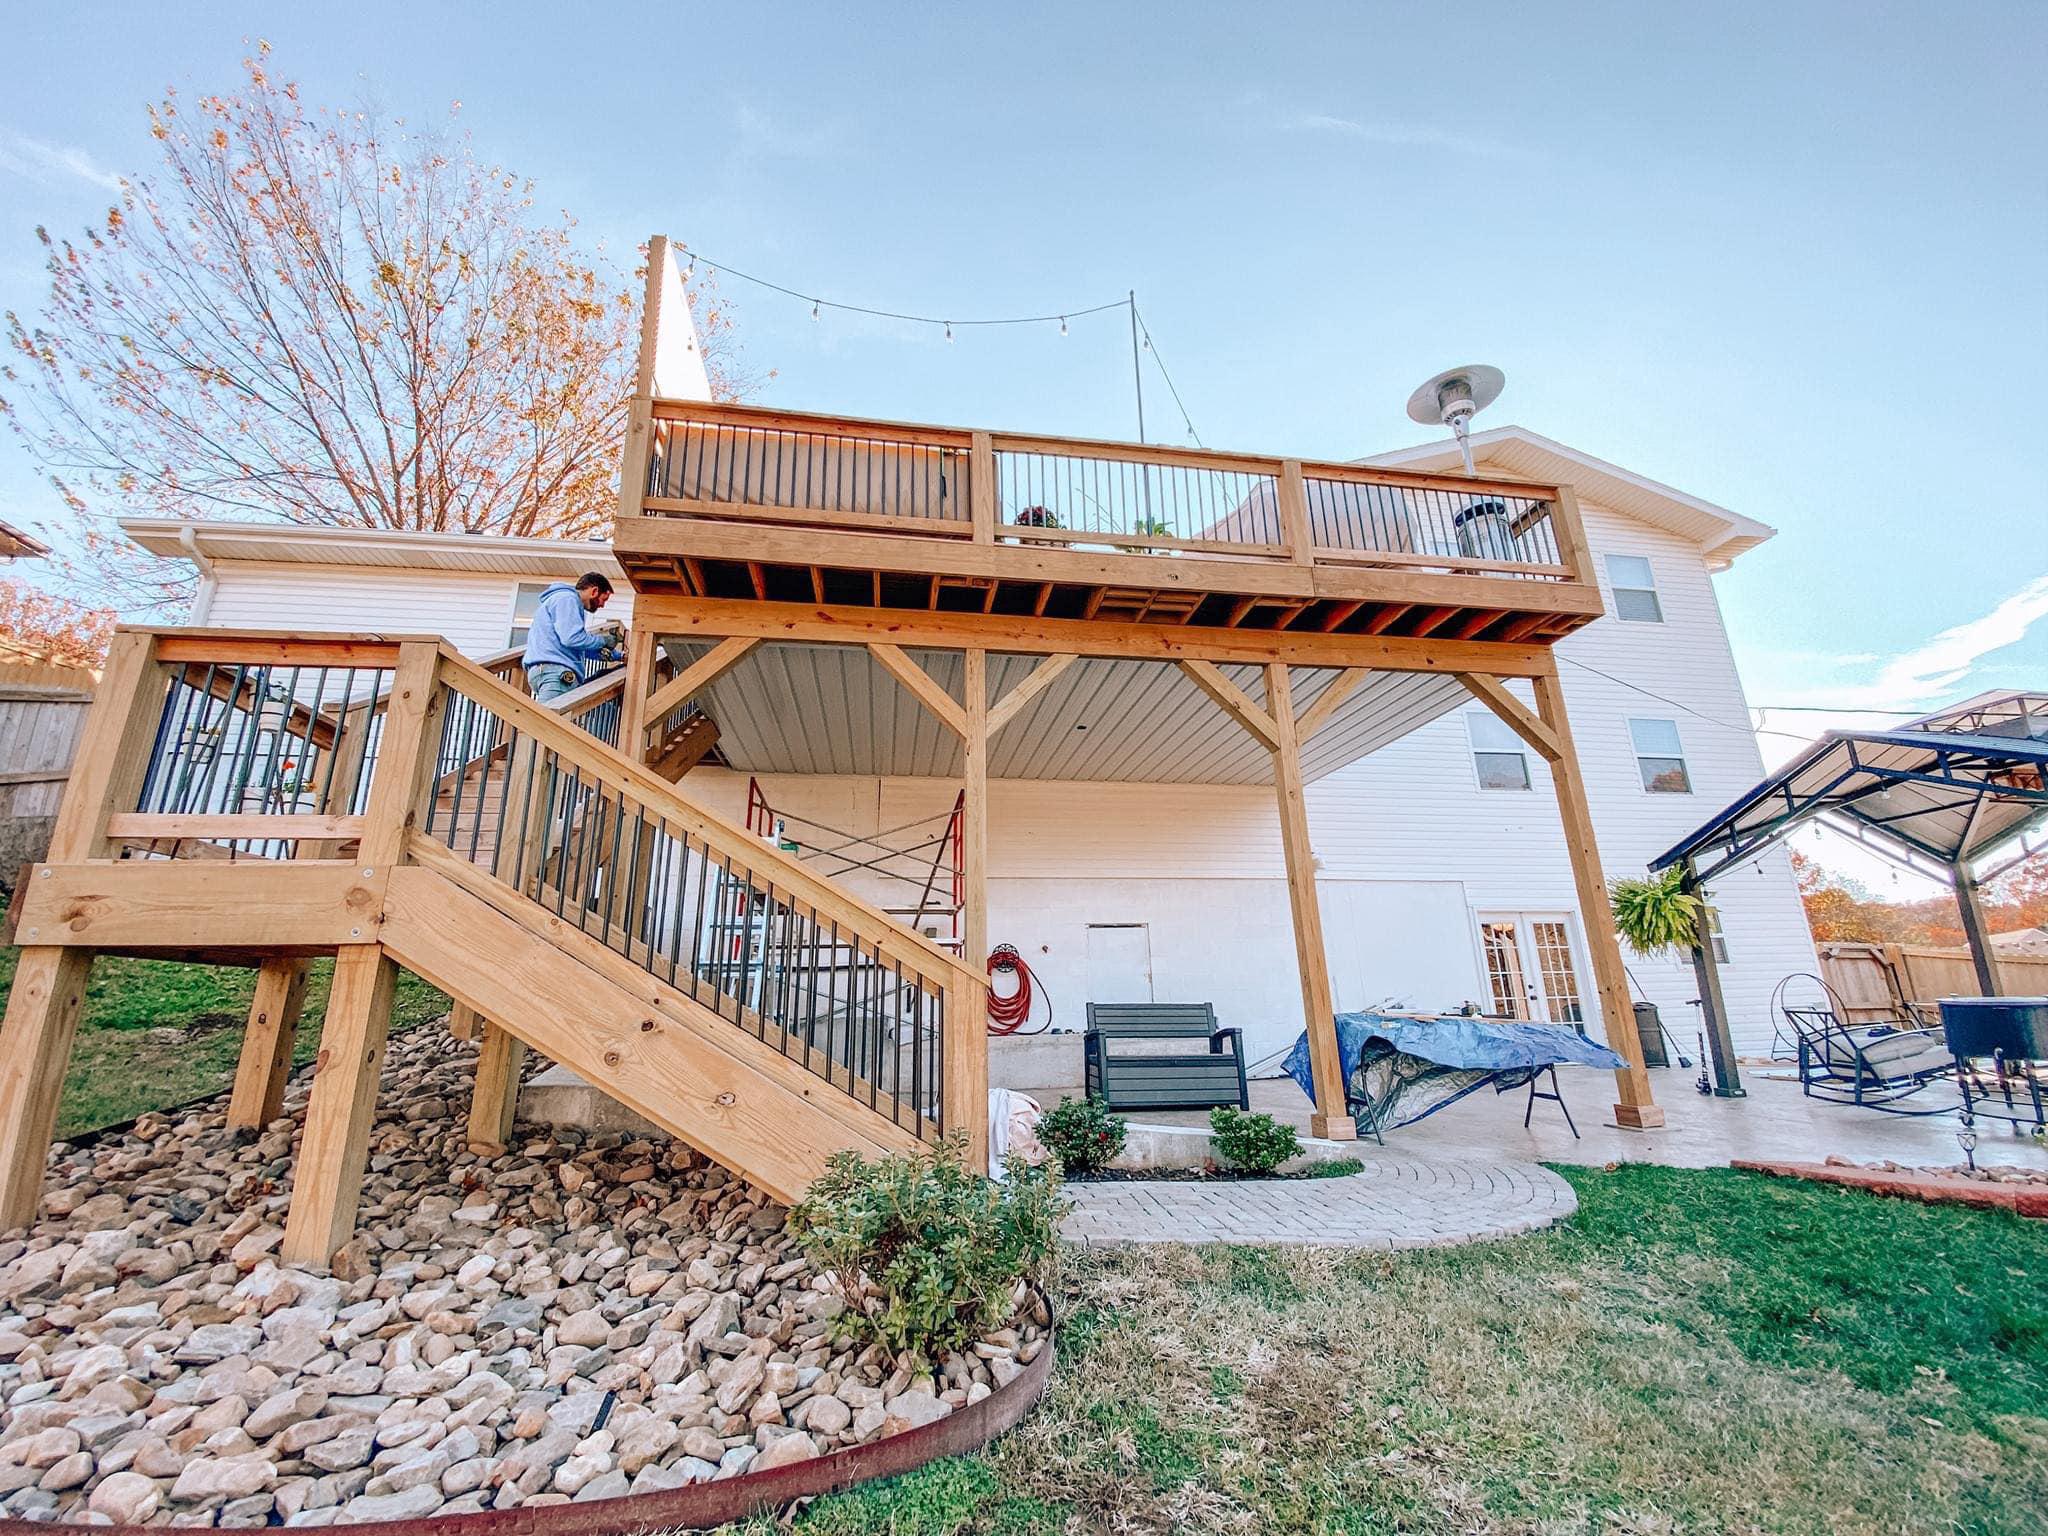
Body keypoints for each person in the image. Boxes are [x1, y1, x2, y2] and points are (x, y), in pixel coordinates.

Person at [523, 571, 623, 703]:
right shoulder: (568, 599)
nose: (602, 605)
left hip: (548, 671)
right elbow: (572, 639)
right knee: (547, 716)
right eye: (603, 599)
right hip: (556, 674)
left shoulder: (562, 600)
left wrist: (617, 655)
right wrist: (603, 640)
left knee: (546, 715)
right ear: (594, 591)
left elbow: (578, 645)